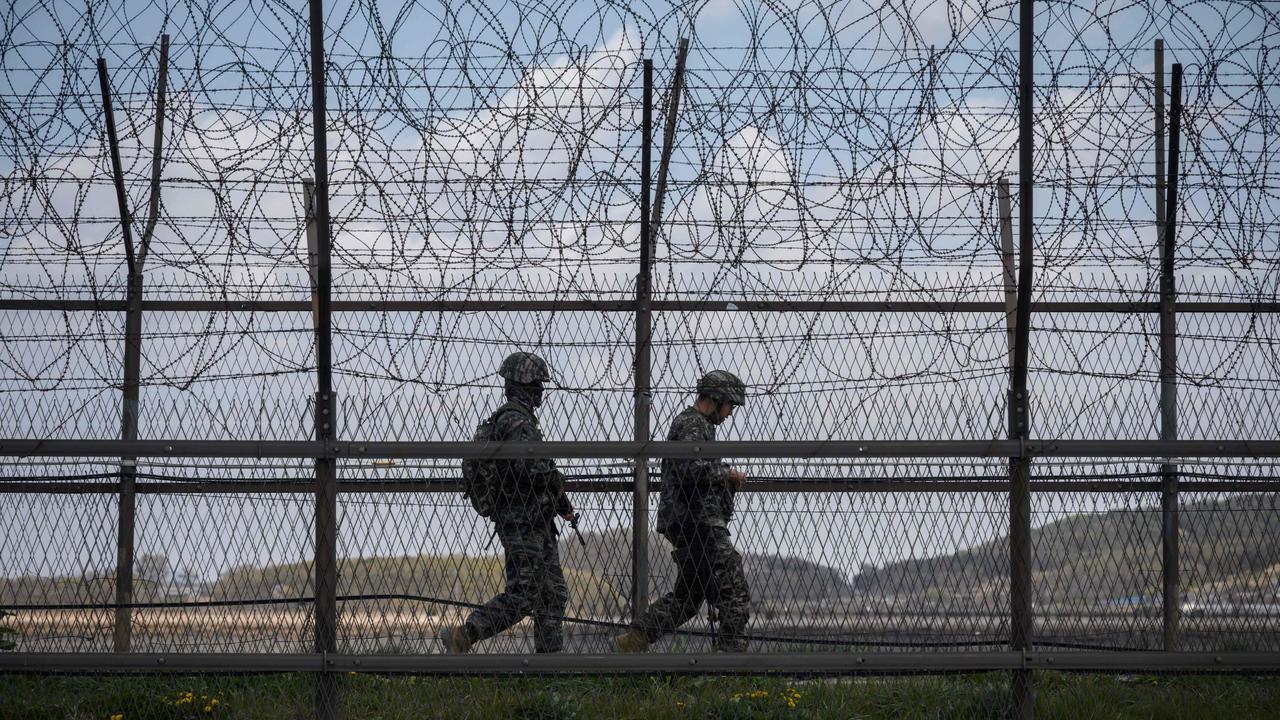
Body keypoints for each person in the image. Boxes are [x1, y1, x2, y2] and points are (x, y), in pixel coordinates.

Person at [442, 352, 576, 653]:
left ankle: (549, 665)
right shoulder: (516, 421)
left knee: (553, 593)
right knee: (524, 594)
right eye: (537, 384)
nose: (541, 391)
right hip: (522, 520)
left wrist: (559, 499)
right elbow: (527, 468)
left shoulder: (521, 420)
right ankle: (465, 634)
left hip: (535, 520)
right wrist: (555, 478)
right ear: (523, 386)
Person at [614, 370, 751, 652]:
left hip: (689, 521)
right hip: (698, 522)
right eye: (730, 406)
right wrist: (728, 475)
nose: (729, 414)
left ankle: (634, 640)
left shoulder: (696, 425)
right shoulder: (693, 424)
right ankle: (730, 661)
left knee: (689, 596)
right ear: (717, 398)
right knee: (734, 588)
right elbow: (690, 468)